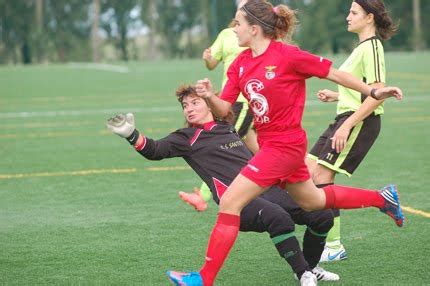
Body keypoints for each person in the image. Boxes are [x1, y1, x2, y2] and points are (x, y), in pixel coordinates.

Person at [166, 1, 404, 285]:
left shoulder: (288, 56)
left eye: (238, 23)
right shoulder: (240, 64)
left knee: (230, 201)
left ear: (254, 29)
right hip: (270, 146)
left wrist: (373, 89)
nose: (234, 29)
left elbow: (335, 74)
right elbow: (225, 110)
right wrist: (208, 96)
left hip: (286, 146)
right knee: (313, 200)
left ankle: (203, 279)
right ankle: (382, 199)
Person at [106, 85, 339, 285]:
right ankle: (303, 274)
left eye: (194, 102)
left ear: (209, 104)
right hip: (236, 202)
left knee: (322, 215)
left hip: (264, 189)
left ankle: (312, 267)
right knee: (278, 218)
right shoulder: (186, 137)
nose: (189, 108)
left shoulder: (229, 126)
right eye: (185, 105)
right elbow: (154, 150)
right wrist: (131, 134)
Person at [305, 0, 399, 262]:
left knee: (322, 177)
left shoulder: (372, 47)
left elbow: (378, 92)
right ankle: (380, 201)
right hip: (343, 117)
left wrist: (347, 125)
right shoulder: (361, 47)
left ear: (369, 18)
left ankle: (333, 247)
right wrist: (337, 95)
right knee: (307, 171)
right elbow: (361, 88)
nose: (348, 17)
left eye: (353, 12)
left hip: (358, 122)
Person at [179, 0, 258, 213]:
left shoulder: (256, 34)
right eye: (240, 4)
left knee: (225, 141)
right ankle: (284, 180)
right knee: (258, 150)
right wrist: (208, 58)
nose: (242, 7)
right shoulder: (226, 34)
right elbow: (213, 63)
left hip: (246, 100)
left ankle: (202, 196)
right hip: (227, 99)